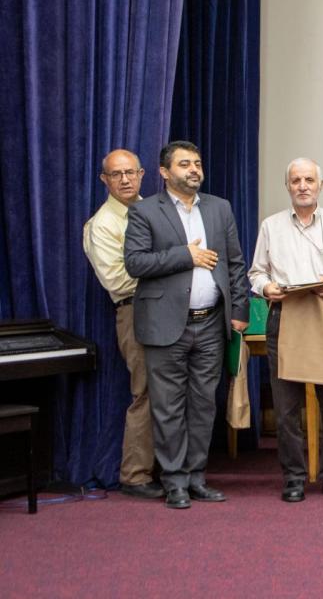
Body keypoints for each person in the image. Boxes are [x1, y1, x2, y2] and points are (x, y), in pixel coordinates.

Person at [123, 140, 249, 509]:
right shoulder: (145, 211)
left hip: (211, 323)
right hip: (164, 324)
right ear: (164, 172)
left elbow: (235, 263)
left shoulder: (219, 208)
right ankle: (174, 481)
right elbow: (135, 263)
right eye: (184, 164)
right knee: (167, 407)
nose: (193, 169)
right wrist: (186, 255)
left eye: (197, 163)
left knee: (204, 405)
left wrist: (239, 309)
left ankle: (196, 477)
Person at [249, 157, 323, 503]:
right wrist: (265, 287)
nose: (303, 186)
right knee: (286, 407)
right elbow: (256, 273)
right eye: (296, 180)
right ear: (287, 186)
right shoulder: (271, 226)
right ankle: (294, 477)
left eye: (309, 180)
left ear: (320, 185)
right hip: (285, 316)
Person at [82, 149, 163, 499]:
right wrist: (167, 267)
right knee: (145, 392)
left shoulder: (157, 210)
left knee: (173, 391)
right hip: (134, 311)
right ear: (105, 180)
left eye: (131, 172)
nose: (125, 179)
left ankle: (173, 470)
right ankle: (135, 475)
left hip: (170, 308)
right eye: (116, 174)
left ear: (143, 174)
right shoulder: (101, 225)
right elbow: (117, 280)